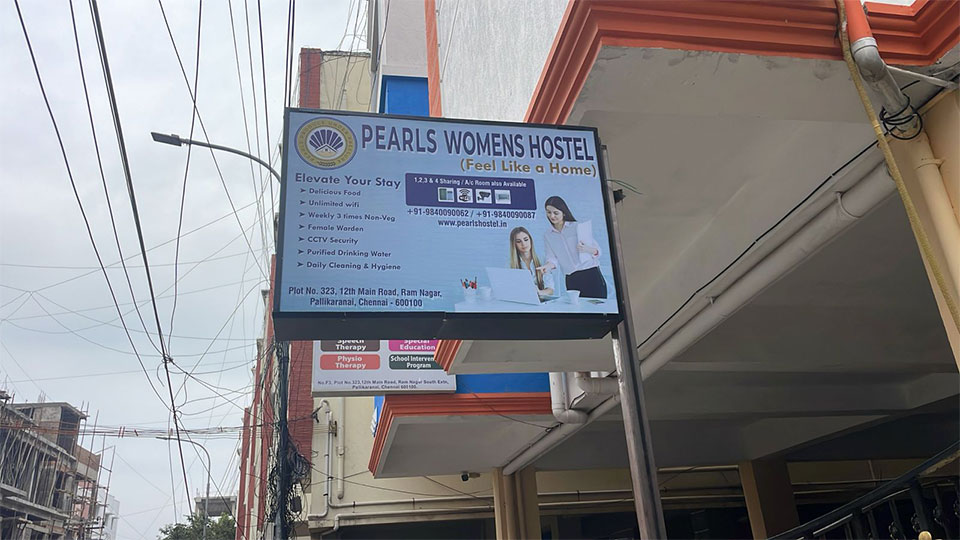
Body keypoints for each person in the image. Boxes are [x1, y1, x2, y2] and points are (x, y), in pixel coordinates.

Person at [536, 195, 608, 299]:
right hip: (571, 279)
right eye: (548, 212)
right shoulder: (548, 235)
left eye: (556, 213)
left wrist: (587, 249)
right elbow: (551, 258)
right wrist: (547, 266)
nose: (552, 216)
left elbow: (598, 251)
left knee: (598, 306)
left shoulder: (577, 227)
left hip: (590, 274)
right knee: (576, 308)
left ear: (563, 212)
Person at [509, 226, 554, 297]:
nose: (523, 244)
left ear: (530, 240)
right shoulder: (510, 264)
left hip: (541, 300)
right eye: (518, 241)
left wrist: (539, 292)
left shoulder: (543, 261)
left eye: (526, 239)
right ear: (514, 245)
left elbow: (550, 290)